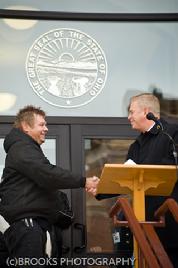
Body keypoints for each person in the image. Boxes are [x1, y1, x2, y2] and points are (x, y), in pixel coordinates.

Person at [0, 105, 99, 267]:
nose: (46, 129)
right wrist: (84, 181)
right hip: (28, 228)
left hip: (33, 226)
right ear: (25, 127)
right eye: (41, 125)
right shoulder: (22, 148)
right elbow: (47, 174)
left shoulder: (26, 149)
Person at [126, 92, 178, 266]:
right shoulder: (136, 146)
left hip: (170, 220)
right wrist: (100, 188)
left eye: (132, 112)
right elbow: (125, 178)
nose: (129, 117)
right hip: (145, 221)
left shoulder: (172, 133)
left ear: (146, 111)